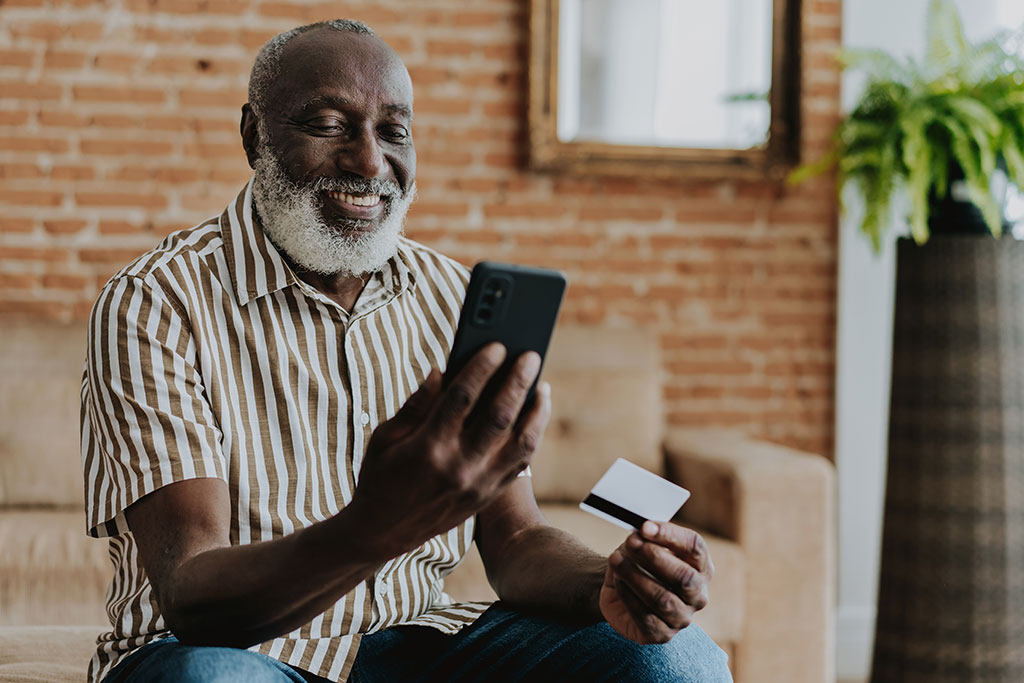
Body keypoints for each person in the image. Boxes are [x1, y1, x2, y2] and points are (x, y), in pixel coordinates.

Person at [80, 19, 733, 683]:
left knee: (680, 661)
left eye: (393, 130)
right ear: (254, 135)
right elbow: (194, 594)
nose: (369, 162)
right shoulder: (157, 301)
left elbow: (513, 540)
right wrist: (377, 525)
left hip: (417, 646)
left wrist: (610, 579)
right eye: (328, 124)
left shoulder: (455, 297)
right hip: (234, 653)